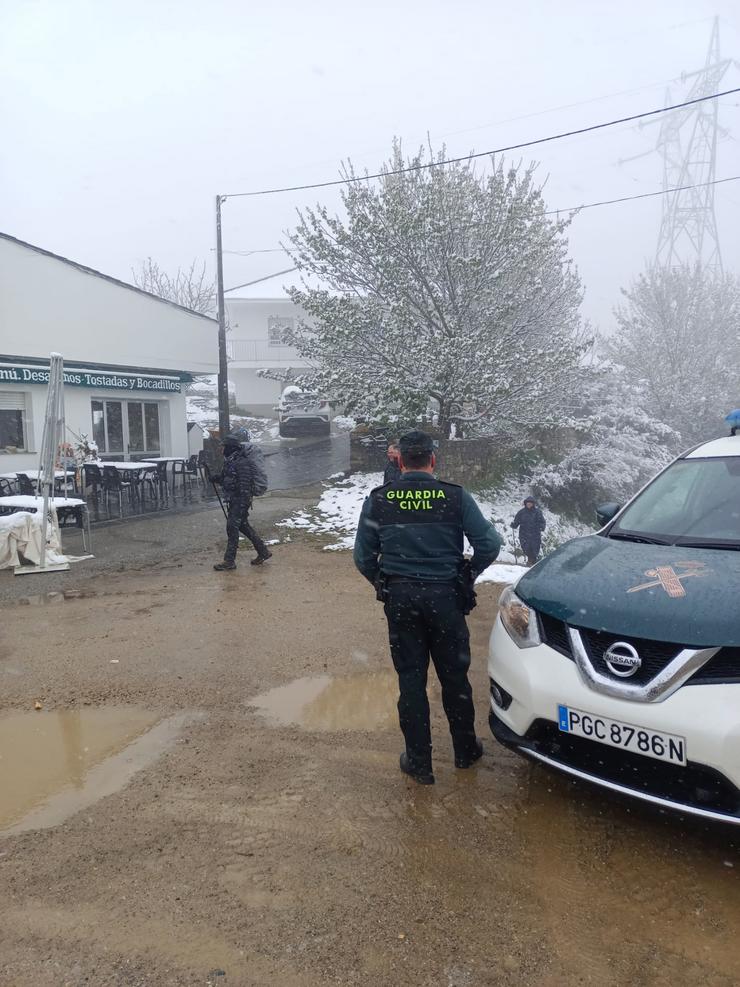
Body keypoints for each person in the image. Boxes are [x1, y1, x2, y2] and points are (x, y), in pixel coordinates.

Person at [353, 429, 502, 785]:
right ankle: (465, 750)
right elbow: (489, 544)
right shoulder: (455, 497)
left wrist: (384, 582)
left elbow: (362, 557)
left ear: (400, 460)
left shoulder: (380, 499)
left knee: (411, 680)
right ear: (433, 460)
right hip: (446, 598)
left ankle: (419, 762)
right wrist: (467, 573)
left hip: (402, 601)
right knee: (455, 677)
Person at [211, 431, 272, 571]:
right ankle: (263, 552)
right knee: (243, 526)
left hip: (240, 501)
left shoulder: (241, 462)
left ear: (230, 447)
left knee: (232, 527)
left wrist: (240, 502)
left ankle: (229, 561)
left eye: (223, 446)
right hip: (236, 500)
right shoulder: (231, 461)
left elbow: (244, 485)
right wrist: (216, 478)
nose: (221, 449)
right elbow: (228, 479)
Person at [511, 496, 546, 566]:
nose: (529, 504)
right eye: (528, 503)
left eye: (530, 503)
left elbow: (542, 521)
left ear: (533, 504)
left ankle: (532, 562)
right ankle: (531, 561)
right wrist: (514, 525)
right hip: (524, 534)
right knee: (526, 548)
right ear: (525, 503)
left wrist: (542, 527)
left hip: (535, 534)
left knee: (535, 548)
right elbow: (517, 521)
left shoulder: (538, 512)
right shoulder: (521, 512)